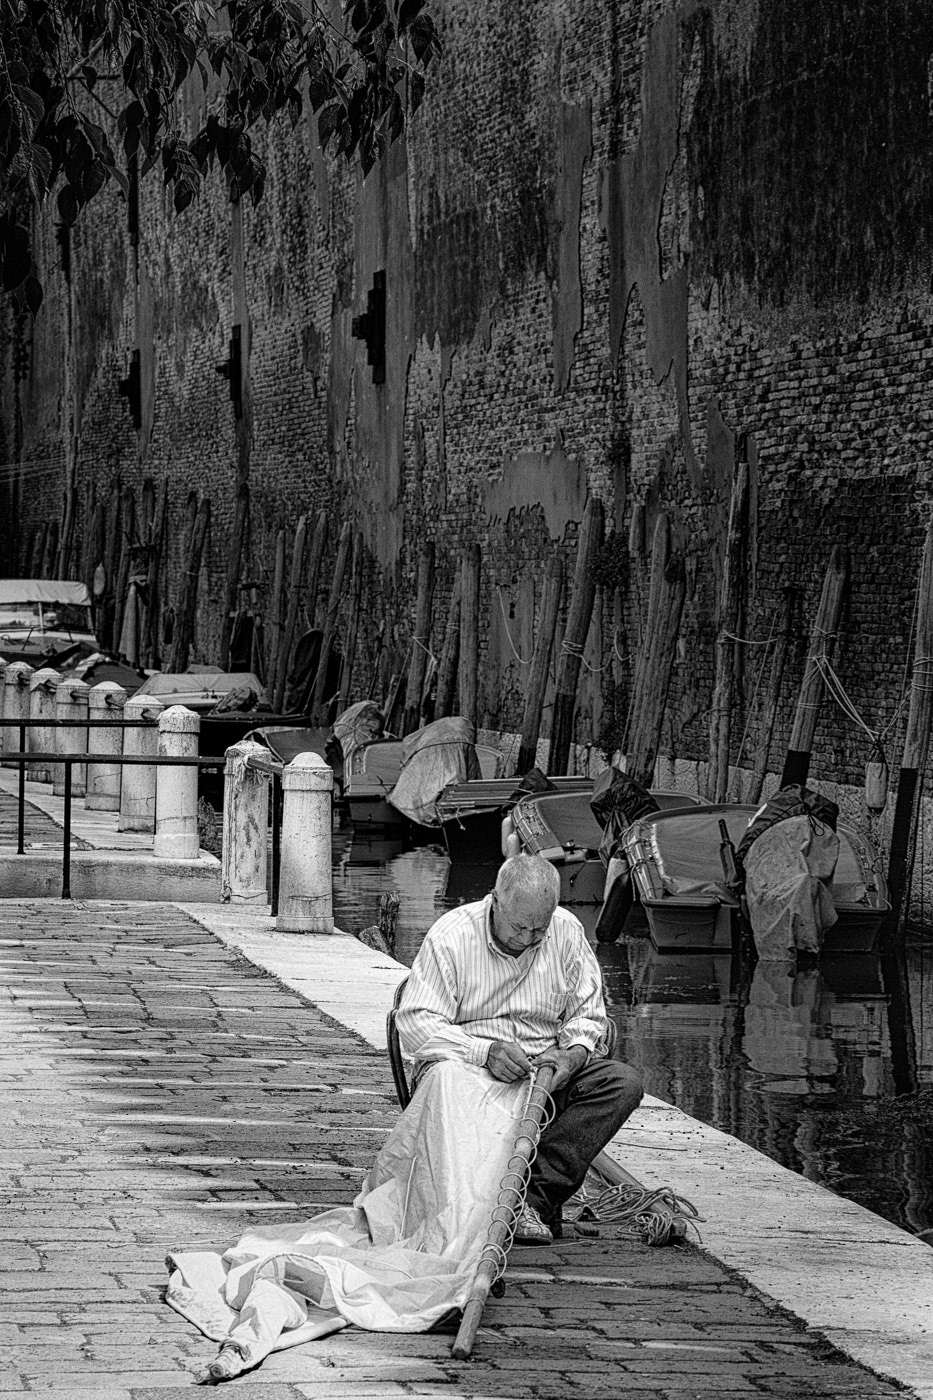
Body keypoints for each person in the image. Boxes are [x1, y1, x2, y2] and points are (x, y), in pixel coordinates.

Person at [396, 853, 643, 1245]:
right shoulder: (452, 935)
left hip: (544, 1070)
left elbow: (589, 1018)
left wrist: (572, 1055)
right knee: (443, 1076)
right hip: (470, 1068)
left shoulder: (566, 932)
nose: (527, 939)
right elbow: (414, 1024)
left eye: (537, 930)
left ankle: (532, 1199)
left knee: (622, 1084)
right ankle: (471, 1200)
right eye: (518, 927)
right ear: (495, 900)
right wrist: (485, 1052)